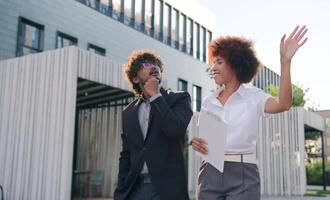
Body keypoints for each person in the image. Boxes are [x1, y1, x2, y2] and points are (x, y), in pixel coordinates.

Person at [191, 25, 308, 200]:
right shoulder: (208, 100)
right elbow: (206, 140)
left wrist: (285, 62)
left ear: (236, 65)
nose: (213, 67)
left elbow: (283, 104)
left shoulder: (254, 96)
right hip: (209, 171)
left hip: (243, 171)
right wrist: (196, 142)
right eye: (213, 62)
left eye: (219, 62)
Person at [114, 50, 193, 200]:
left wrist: (156, 96)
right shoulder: (128, 112)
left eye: (157, 65)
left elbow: (174, 130)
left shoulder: (179, 99)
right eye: (146, 64)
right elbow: (126, 154)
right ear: (136, 78)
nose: (154, 67)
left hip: (166, 190)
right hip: (134, 189)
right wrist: (120, 191)